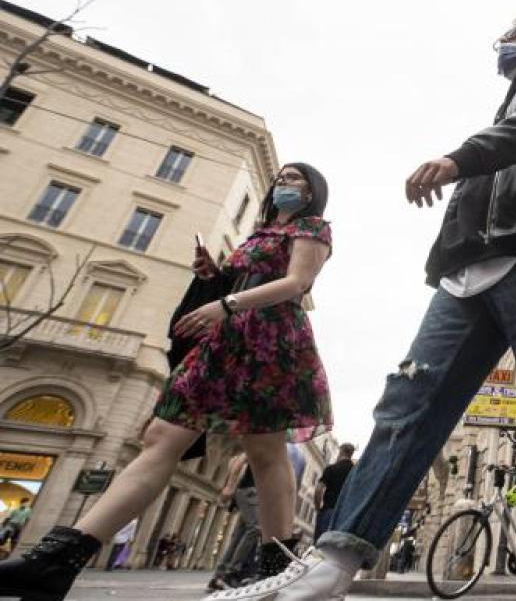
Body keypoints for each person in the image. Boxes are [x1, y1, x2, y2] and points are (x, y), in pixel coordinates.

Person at [271, 21, 516, 601]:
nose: (503, 43)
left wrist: (458, 160)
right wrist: (445, 250)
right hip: (464, 277)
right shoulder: (502, 110)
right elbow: (489, 177)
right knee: (408, 402)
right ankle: (337, 557)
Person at [0, 163, 335, 601]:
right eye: (281, 178)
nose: (283, 184)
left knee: (265, 450)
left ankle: (276, 573)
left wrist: (227, 303)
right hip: (225, 339)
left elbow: (297, 282)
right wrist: (214, 276)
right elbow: (244, 278)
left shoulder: (312, 227)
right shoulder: (261, 231)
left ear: (311, 193)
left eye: (295, 179)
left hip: (269, 342)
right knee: (160, 437)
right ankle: (57, 561)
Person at [207, 454, 262, 590]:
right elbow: (240, 459)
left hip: (254, 494)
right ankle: (230, 573)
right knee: (255, 528)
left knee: (239, 534)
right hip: (250, 491)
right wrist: (230, 486)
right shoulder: (266, 437)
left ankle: (219, 576)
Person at [315, 444, 356, 540]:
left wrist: (318, 507)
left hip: (328, 511)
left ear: (341, 451)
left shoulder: (331, 469)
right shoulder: (355, 473)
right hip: (344, 517)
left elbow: (318, 489)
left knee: (319, 546)